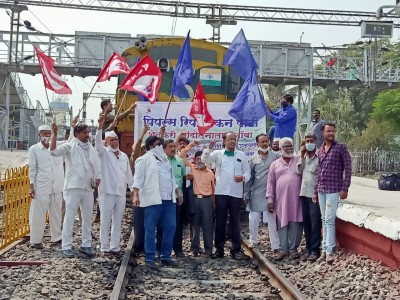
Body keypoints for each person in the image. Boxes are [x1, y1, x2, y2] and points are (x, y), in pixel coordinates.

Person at [50, 122, 102, 258]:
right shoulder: (69, 146)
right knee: (69, 217)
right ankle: (66, 246)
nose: (87, 135)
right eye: (84, 132)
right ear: (77, 134)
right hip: (73, 187)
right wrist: (54, 134)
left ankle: (86, 245)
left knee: (86, 218)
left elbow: (97, 163)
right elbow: (53, 151)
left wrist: (98, 177)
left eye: (88, 132)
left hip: (88, 188)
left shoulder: (90, 148)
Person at [132, 136, 183, 270]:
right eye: (157, 145)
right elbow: (137, 179)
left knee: (171, 227)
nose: (160, 147)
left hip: (168, 200)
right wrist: (135, 195)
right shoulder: (143, 160)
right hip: (153, 199)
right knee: (150, 228)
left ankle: (166, 256)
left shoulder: (166, 160)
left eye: (161, 144)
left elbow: (171, 179)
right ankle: (149, 258)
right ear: (150, 147)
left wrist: (178, 191)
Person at [202, 132, 251, 260]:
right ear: (224, 141)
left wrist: (243, 177)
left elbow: (247, 171)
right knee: (220, 221)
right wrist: (208, 149)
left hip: (236, 193)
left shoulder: (241, 155)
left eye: (234, 139)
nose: (233, 141)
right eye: (230, 139)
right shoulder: (218, 154)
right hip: (221, 192)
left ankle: (235, 250)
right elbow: (205, 161)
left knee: (235, 222)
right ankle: (219, 249)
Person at [95, 115, 134, 256]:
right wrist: (100, 127)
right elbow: (97, 145)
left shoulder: (123, 156)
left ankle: (115, 247)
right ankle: (104, 247)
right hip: (106, 192)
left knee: (118, 221)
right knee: (105, 221)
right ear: (106, 142)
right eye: (111, 140)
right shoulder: (103, 153)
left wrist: (134, 190)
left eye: (116, 139)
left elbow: (128, 175)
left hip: (120, 193)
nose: (114, 142)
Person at [313, 122, 351, 264]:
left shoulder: (340, 148)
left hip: (334, 189)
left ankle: (329, 250)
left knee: (329, 220)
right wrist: (315, 191)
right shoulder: (321, 149)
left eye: (333, 131)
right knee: (324, 219)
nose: (331, 133)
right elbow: (319, 171)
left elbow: (348, 169)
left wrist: (345, 188)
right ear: (323, 133)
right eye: (328, 131)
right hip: (322, 189)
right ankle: (324, 249)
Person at [28, 125, 64, 249]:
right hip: (41, 185)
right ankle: (36, 240)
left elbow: (71, 140)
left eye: (49, 133)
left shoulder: (59, 147)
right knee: (38, 214)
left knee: (56, 213)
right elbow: (32, 168)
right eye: (45, 133)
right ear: (39, 135)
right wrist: (31, 186)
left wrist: (73, 126)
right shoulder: (34, 149)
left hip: (57, 186)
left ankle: (57, 238)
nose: (47, 136)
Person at [266, 137, 303, 261]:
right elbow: (270, 183)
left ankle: (293, 248)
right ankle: (284, 249)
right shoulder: (275, 164)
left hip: (297, 200)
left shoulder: (298, 159)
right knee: (282, 224)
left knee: (296, 223)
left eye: (290, 146)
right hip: (281, 200)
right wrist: (270, 200)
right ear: (281, 149)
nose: (288, 148)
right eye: (286, 146)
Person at [245, 134, 280, 250]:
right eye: (262, 142)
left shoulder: (276, 156)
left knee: (272, 219)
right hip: (256, 193)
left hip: (272, 194)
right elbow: (249, 178)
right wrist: (245, 194)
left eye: (266, 141)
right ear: (257, 144)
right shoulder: (252, 160)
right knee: (254, 217)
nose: (265, 144)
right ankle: (253, 240)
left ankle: (275, 244)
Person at [180, 149, 215, 258]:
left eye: (202, 159)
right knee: (195, 226)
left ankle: (208, 251)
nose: (199, 161)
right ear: (194, 160)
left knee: (208, 226)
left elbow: (213, 190)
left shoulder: (210, 172)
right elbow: (181, 155)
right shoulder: (192, 169)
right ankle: (194, 249)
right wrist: (191, 145)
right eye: (197, 159)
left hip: (207, 200)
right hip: (195, 200)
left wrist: (214, 205)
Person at [156, 139, 186, 258]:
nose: (173, 149)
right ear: (164, 149)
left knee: (177, 224)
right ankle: (159, 248)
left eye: (174, 146)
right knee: (161, 224)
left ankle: (177, 248)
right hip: (163, 196)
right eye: (170, 146)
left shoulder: (180, 161)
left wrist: (181, 194)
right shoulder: (160, 161)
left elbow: (182, 178)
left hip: (177, 197)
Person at [298, 134, 321, 262]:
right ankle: (308, 248)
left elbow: (321, 177)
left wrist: (316, 192)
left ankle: (314, 250)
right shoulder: (304, 157)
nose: (309, 143)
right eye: (307, 141)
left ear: (316, 141)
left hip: (314, 195)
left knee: (315, 222)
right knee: (306, 222)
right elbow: (298, 172)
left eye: (311, 141)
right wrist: (301, 156)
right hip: (304, 193)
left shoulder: (320, 157)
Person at [129, 124, 150, 255]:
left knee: (150, 222)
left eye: (144, 149)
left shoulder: (150, 159)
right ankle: (140, 246)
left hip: (150, 194)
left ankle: (148, 246)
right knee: (139, 221)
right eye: (141, 149)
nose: (143, 150)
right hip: (139, 193)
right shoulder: (135, 159)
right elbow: (136, 150)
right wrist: (142, 135)